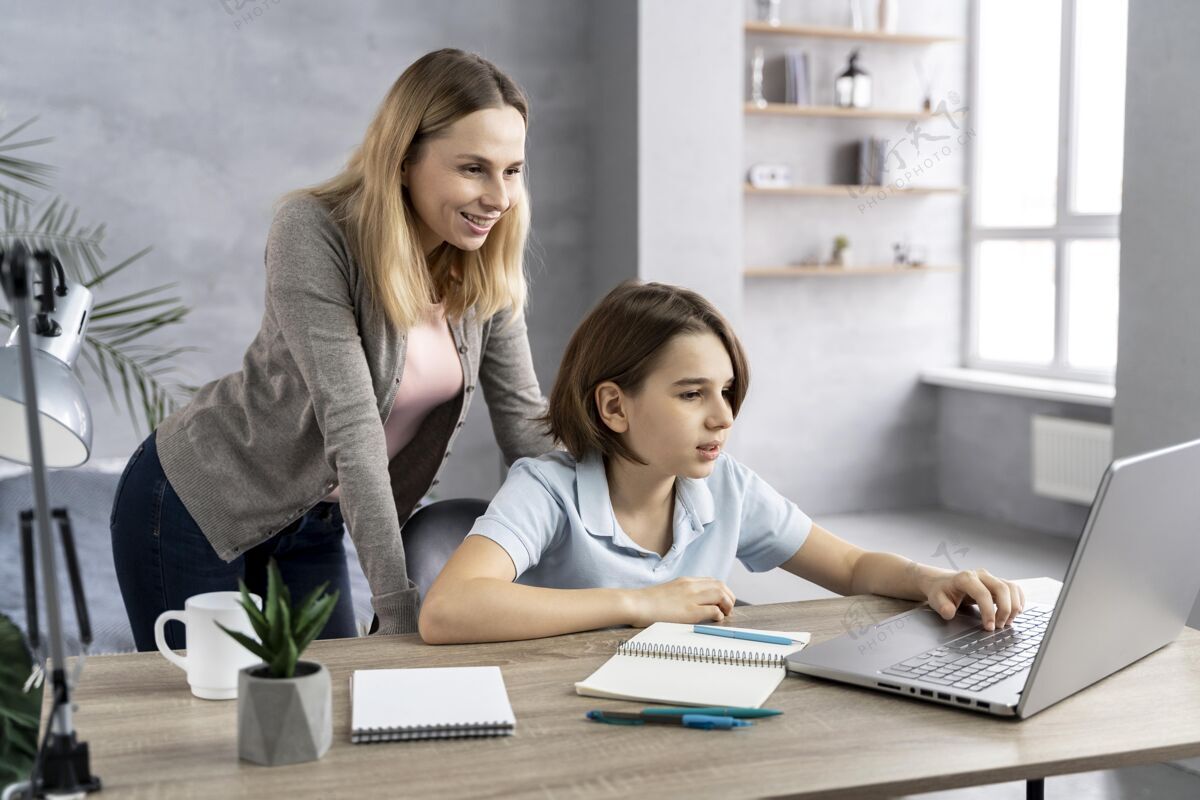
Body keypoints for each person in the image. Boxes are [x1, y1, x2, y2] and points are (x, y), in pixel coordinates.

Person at [111, 48, 553, 650]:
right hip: (197, 504)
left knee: (324, 708)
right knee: (206, 718)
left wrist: (612, 545)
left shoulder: (482, 268)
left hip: (314, 521)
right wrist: (399, 610)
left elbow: (527, 427)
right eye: (473, 168)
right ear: (404, 159)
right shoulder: (312, 230)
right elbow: (352, 425)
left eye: (512, 170)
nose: (499, 197)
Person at [418, 281, 1026, 644]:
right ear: (614, 406)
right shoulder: (545, 490)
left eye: (726, 391)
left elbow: (849, 564)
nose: (723, 417)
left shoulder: (727, 487)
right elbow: (448, 609)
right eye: (691, 394)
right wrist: (640, 604)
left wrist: (927, 579)